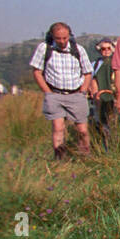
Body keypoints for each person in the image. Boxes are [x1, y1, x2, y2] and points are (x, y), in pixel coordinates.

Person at [29, 22, 95, 160]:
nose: (62, 41)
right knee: (58, 129)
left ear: (69, 35)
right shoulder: (44, 48)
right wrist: (47, 92)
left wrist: (82, 91)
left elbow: (88, 72)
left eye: (65, 38)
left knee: (82, 130)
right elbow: (37, 72)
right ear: (52, 36)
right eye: (58, 38)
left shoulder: (78, 49)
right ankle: (60, 159)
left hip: (76, 93)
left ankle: (85, 157)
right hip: (55, 94)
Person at [89, 37, 117, 145]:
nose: (106, 51)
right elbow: (92, 79)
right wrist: (95, 94)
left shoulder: (116, 63)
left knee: (113, 122)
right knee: (99, 122)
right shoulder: (95, 64)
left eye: (108, 48)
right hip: (99, 98)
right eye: (103, 49)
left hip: (113, 97)